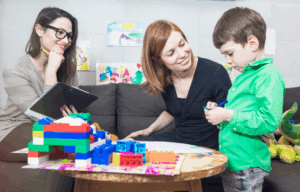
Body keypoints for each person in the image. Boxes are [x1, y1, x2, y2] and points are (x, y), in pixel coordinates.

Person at [205, 7, 285, 192]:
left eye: (230, 53)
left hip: (247, 164)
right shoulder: (245, 75)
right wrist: (219, 111)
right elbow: (241, 112)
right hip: (235, 160)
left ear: (252, 43)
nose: (227, 60)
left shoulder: (268, 76)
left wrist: (227, 115)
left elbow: (269, 121)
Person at [125, 20, 232, 150]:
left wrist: (218, 110)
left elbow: (231, 114)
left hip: (208, 146)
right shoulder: (165, 78)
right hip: (178, 142)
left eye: (182, 44)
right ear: (158, 59)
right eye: (171, 53)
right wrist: (149, 130)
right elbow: (173, 111)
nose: (182, 54)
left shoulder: (215, 72)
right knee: (129, 142)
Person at [0, 7, 79, 163]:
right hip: (15, 127)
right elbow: (44, 117)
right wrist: (51, 72)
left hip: (54, 128)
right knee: (60, 141)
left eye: (69, 36)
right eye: (60, 32)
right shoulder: (15, 70)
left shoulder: (69, 67)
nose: (65, 41)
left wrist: (73, 115)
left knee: (83, 138)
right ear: (40, 30)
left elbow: (70, 109)